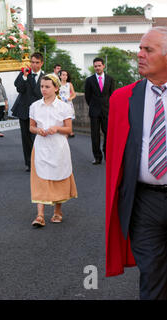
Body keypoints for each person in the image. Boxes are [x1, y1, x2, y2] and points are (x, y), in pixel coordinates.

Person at [106, 27, 167, 300]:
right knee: (152, 275)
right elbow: (116, 154)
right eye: (140, 49)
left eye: (148, 50)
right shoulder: (122, 99)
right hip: (144, 202)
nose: (139, 55)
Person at [29, 74, 77, 227]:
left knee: (58, 177)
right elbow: (31, 127)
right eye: (42, 86)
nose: (44, 89)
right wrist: (38, 131)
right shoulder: (35, 106)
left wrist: (56, 128)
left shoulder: (63, 106)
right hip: (41, 146)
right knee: (40, 179)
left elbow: (69, 129)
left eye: (47, 86)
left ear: (56, 88)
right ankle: (40, 215)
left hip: (58, 147)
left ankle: (57, 211)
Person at [12, 52, 45, 172]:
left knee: (37, 137)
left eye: (37, 62)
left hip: (39, 112)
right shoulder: (25, 73)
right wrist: (25, 77)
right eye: (32, 62)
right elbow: (19, 88)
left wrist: (30, 79)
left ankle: (39, 161)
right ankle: (29, 163)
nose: (34, 65)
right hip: (24, 110)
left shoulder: (45, 77)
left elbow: (39, 93)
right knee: (26, 138)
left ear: (41, 63)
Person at [84, 57, 116, 165]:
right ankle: (97, 157)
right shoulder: (89, 80)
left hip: (107, 111)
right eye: (95, 66)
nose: (97, 68)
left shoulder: (110, 79)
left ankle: (108, 155)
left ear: (103, 66)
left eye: (99, 65)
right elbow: (87, 96)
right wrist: (93, 106)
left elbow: (112, 95)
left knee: (108, 134)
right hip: (94, 111)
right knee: (95, 135)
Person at [59, 70, 77, 137]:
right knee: (61, 120)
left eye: (66, 75)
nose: (64, 76)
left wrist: (70, 98)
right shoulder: (57, 84)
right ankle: (63, 133)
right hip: (60, 104)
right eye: (63, 75)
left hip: (68, 104)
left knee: (68, 118)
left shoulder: (69, 84)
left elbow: (74, 94)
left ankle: (69, 131)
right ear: (60, 76)